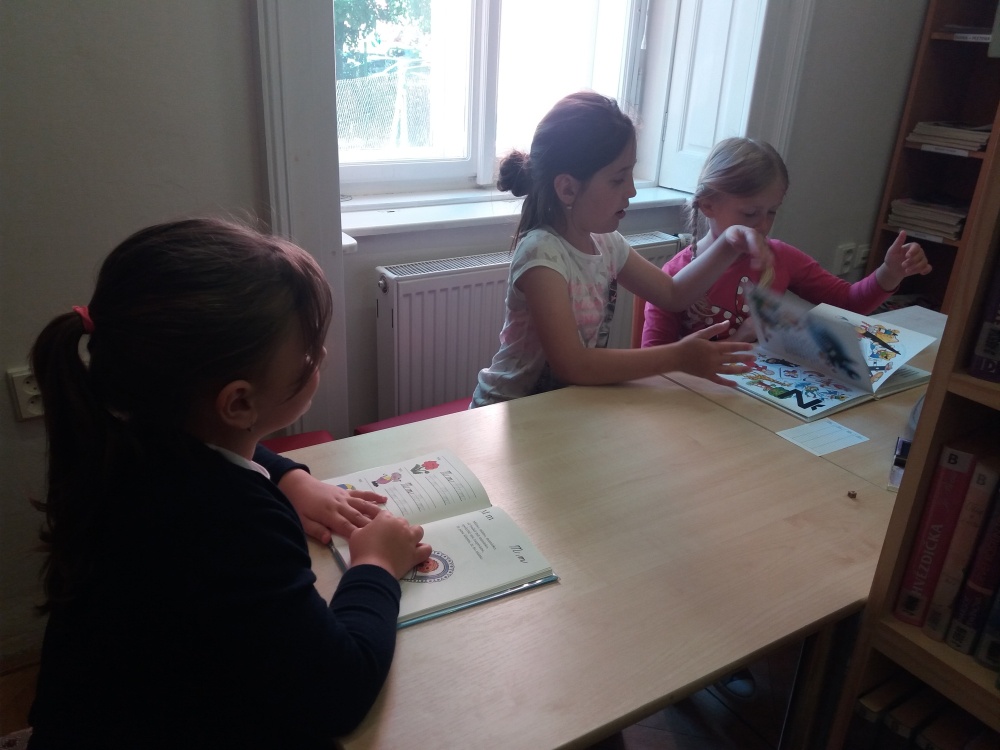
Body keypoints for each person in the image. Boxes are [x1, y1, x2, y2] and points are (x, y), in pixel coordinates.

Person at [26, 218, 431, 749]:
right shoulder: (229, 525)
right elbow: (339, 691)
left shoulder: (123, 439)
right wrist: (375, 563)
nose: (324, 357)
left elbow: (203, 451)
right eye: (310, 353)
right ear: (239, 402)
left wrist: (287, 477)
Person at [471, 92, 772, 407]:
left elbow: (673, 294)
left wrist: (728, 244)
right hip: (506, 408)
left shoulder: (607, 243)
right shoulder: (542, 254)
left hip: (560, 407)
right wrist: (677, 357)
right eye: (618, 179)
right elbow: (574, 365)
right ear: (568, 188)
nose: (631, 190)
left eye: (631, 174)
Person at [641, 137, 932, 347]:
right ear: (708, 205)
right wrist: (741, 338)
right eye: (750, 213)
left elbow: (848, 302)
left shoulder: (780, 257)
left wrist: (890, 272)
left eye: (772, 212)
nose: (762, 225)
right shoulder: (675, 278)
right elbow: (656, 362)